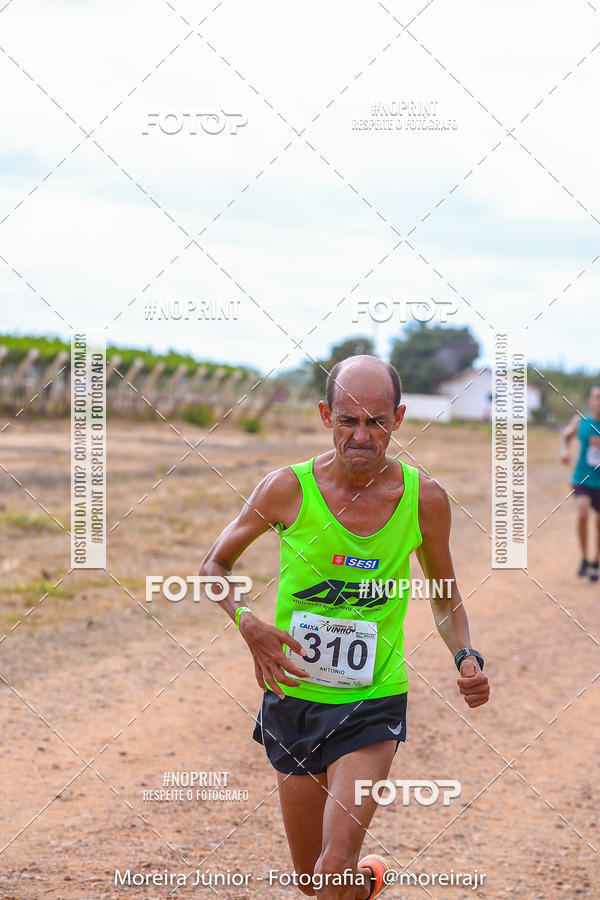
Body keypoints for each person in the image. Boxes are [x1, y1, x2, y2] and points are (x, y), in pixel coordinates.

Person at [200, 355, 490, 899]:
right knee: (316, 881)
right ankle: (367, 884)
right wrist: (248, 623)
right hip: (292, 700)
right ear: (325, 415)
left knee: (333, 865)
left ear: (399, 419)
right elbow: (213, 566)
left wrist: (465, 655)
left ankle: (351, 875)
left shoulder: (424, 500)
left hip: (371, 702)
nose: (362, 435)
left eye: (376, 421)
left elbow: (445, 595)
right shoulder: (286, 489)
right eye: (348, 421)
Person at [560, 385, 600, 582]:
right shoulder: (581, 421)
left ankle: (595, 562)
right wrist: (564, 451)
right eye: (597, 397)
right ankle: (584, 558)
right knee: (582, 514)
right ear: (591, 400)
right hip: (582, 479)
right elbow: (565, 437)